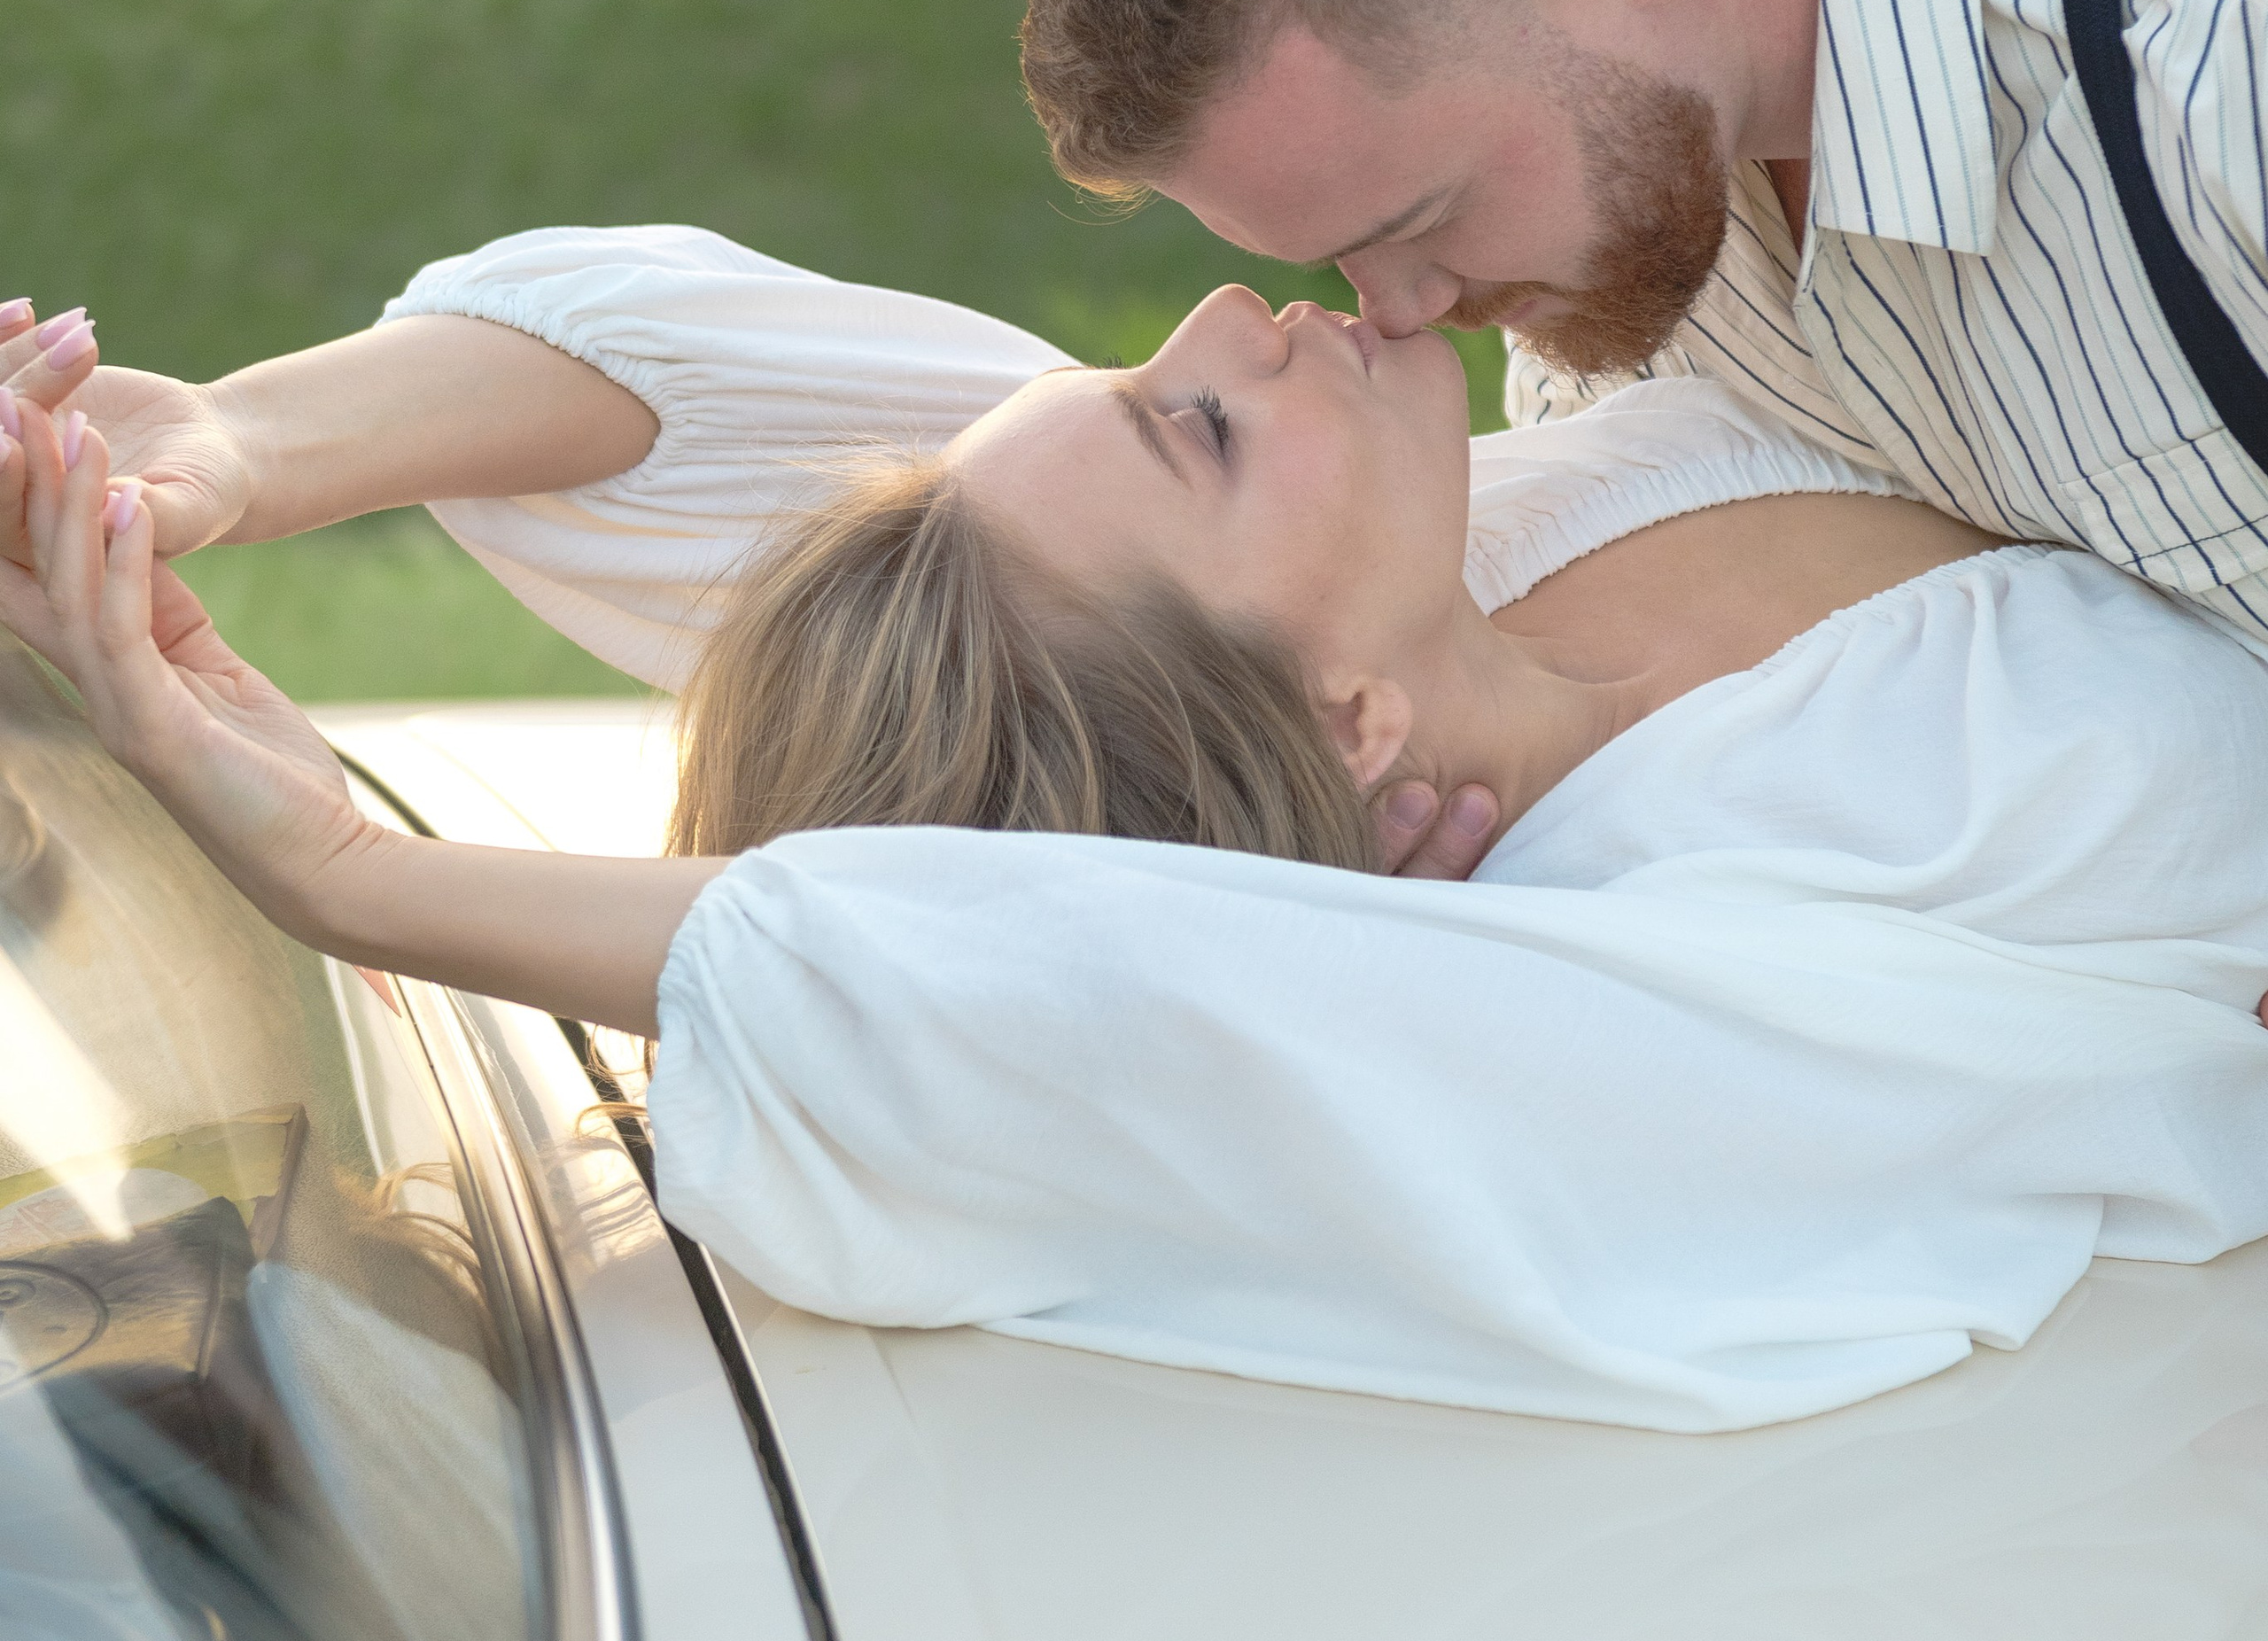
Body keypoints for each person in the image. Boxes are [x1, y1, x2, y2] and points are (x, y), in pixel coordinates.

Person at [4, 226, 2265, 1432]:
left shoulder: (1451, 543)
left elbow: (683, 366)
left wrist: (222, 448)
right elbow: (1027, 979)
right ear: (1333, 724)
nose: (1217, 313)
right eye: (1189, 422)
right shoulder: (1657, 960)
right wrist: (350, 881)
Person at [1018, 0, 2268, 865]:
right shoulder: (1617, 255)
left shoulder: (2223, 27)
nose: (1394, 315)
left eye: (1423, 214)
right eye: (1346, 253)